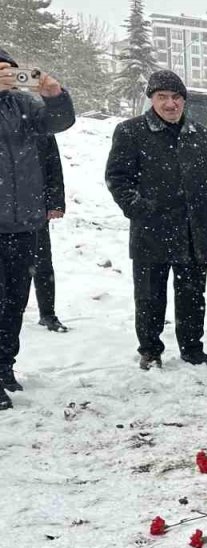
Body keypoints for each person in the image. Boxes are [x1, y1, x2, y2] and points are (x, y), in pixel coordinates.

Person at [105, 70, 207, 372]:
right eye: (163, 98)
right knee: (149, 298)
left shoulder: (201, 135)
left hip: (192, 232)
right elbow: (118, 178)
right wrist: (139, 209)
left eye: (176, 97)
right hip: (151, 232)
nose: (170, 104)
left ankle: (193, 348)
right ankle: (150, 350)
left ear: (184, 100)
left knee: (193, 298)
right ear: (152, 100)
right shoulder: (131, 132)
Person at [0, 50, 73, 408]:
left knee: (14, 303)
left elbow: (57, 124)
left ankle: (4, 367)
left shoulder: (24, 106)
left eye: (10, 71)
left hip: (24, 224)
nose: (6, 76)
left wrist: (55, 95)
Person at [32, 133, 67, 333]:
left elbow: (53, 165)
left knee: (42, 262)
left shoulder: (37, 121)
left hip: (34, 206)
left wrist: (55, 202)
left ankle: (47, 313)